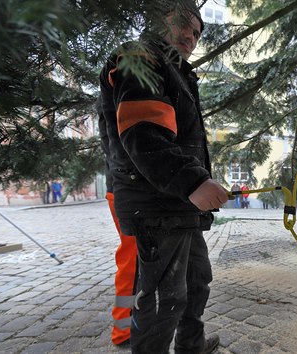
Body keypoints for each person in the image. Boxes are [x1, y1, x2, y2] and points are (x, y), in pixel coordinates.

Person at [98, 1, 228, 353]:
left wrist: (193, 185)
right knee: (164, 297)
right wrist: (193, 182)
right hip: (155, 204)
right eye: (184, 23)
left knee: (196, 282)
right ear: (159, 18)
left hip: (176, 203)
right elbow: (143, 133)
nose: (191, 35)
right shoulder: (139, 57)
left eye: (198, 33)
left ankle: (192, 345)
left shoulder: (174, 69)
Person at [97, 99, 137, 346]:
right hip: (129, 190)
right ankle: (123, 330)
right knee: (132, 262)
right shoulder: (126, 80)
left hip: (123, 187)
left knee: (132, 261)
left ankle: (127, 327)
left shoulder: (111, 87)